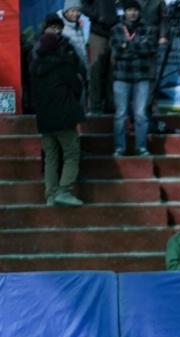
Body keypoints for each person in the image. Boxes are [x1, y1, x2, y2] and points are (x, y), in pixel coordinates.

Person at [31, 14, 86, 208]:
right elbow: (77, 86)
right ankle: (65, 190)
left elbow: (31, 95)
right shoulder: (63, 65)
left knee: (51, 157)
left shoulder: (34, 67)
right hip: (63, 116)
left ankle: (50, 195)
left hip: (44, 119)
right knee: (71, 154)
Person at [110, 0, 156, 156]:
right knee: (120, 114)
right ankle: (119, 147)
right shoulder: (116, 29)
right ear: (125, 12)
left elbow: (149, 48)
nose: (133, 13)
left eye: (135, 10)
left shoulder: (147, 28)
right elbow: (117, 47)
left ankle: (141, 147)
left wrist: (127, 46)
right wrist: (137, 46)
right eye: (129, 10)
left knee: (141, 114)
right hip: (121, 76)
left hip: (141, 76)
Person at [82, 0, 119, 113]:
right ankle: (94, 106)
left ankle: (111, 105)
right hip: (98, 32)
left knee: (114, 71)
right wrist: (97, 15)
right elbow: (84, 4)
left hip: (118, 32)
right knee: (96, 70)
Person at [58, 2, 91, 76]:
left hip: (83, 71)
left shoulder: (78, 27)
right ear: (66, 11)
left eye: (78, 11)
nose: (76, 14)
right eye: (72, 11)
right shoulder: (60, 28)